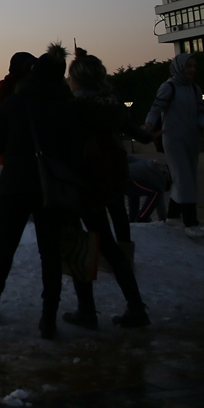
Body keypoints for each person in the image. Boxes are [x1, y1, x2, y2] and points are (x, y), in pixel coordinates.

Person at [0, 53, 76, 341]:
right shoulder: (66, 106)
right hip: (51, 187)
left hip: (16, 185)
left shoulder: (15, 104)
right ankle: (48, 318)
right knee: (50, 254)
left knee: (5, 246)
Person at [61, 49, 149, 330]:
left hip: (79, 180)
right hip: (106, 181)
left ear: (77, 79)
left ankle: (86, 310)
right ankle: (135, 306)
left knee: (77, 242)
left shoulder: (74, 107)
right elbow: (139, 133)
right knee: (108, 244)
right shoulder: (113, 106)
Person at [142, 53, 204, 238]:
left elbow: (200, 114)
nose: (192, 70)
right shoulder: (169, 87)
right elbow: (155, 109)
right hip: (173, 138)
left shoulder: (195, 89)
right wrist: (148, 125)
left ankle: (173, 215)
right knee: (183, 176)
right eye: (188, 66)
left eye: (194, 66)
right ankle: (191, 222)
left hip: (192, 138)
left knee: (185, 176)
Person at [126, 155, 170, 223]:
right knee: (156, 192)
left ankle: (133, 218)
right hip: (131, 179)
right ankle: (142, 218)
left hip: (121, 175)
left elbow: (129, 158)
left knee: (134, 193)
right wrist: (164, 220)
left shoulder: (149, 162)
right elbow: (160, 204)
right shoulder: (162, 180)